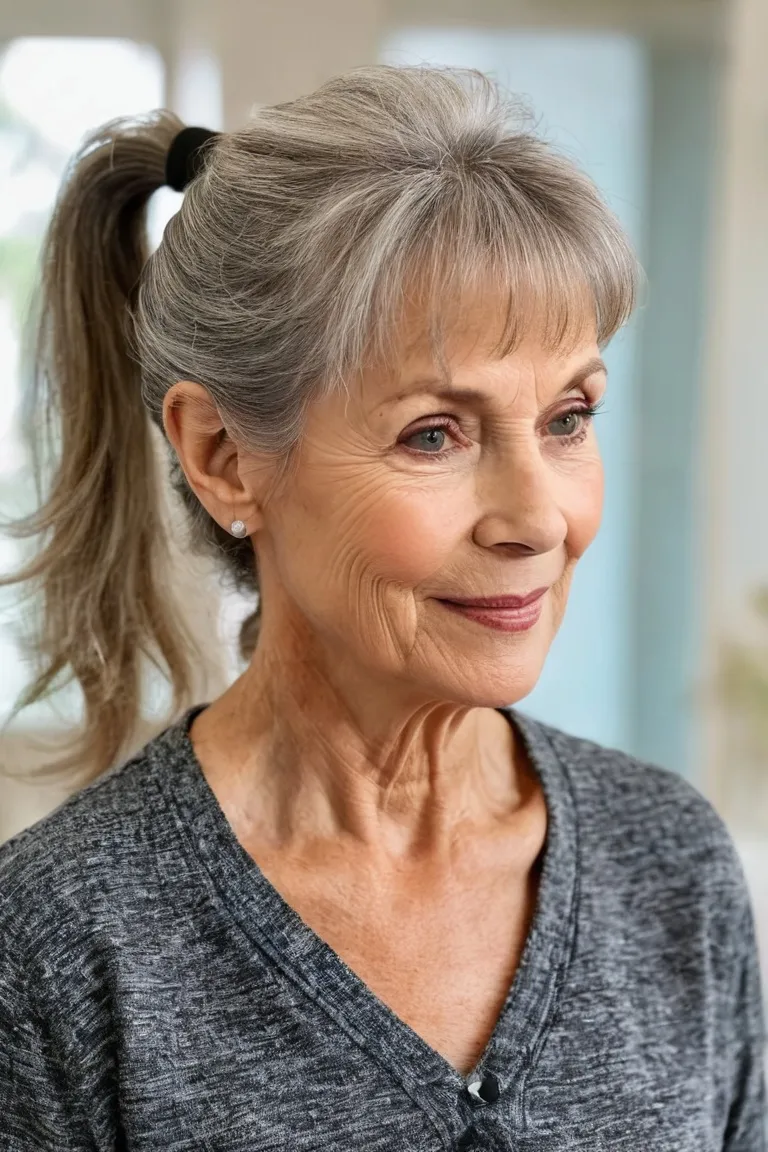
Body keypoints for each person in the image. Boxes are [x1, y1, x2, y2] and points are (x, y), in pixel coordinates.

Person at [0, 65, 764, 1152]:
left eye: (567, 417)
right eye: (435, 435)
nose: (537, 520)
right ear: (223, 458)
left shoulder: (669, 865)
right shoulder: (63, 941)